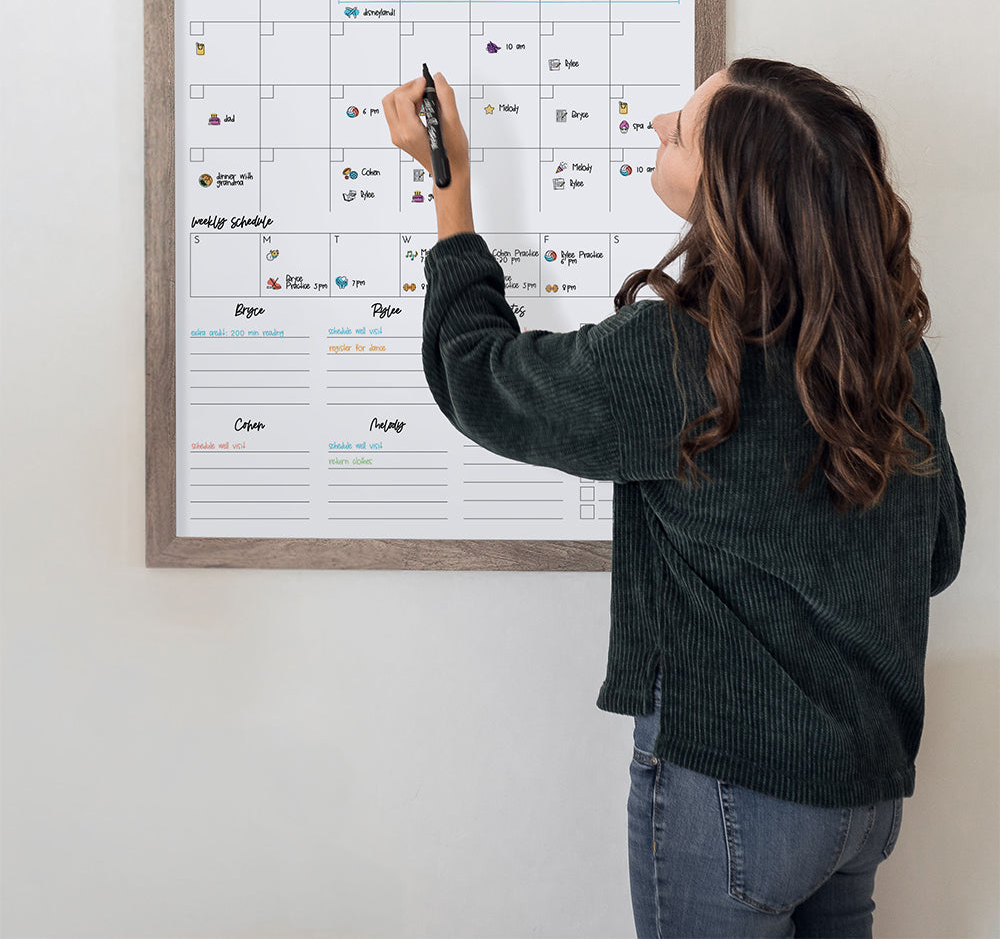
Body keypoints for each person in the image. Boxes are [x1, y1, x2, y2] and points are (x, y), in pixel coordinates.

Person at [382, 58, 965, 939]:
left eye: (685, 127)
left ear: (736, 191)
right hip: (864, 802)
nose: (658, 123)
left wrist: (449, 188)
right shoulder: (892, 354)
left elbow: (483, 380)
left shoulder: (680, 353)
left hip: (732, 795)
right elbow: (939, 554)